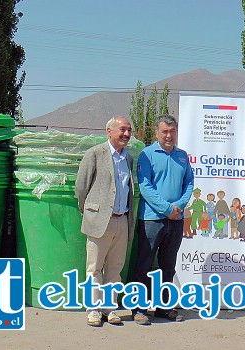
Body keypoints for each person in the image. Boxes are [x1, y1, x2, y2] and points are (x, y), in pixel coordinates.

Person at [132, 114, 194, 325]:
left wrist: (179, 207)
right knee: (145, 264)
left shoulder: (183, 156)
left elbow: (189, 185)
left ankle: (163, 307)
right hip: (151, 219)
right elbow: (145, 186)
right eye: (164, 132)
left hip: (176, 219)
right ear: (157, 133)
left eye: (172, 131)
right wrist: (167, 208)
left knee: (168, 266)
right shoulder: (146, 155)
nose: (169, 135)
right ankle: (139, 309)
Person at [75, 116, 135, 327]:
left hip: (122, 220)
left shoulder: (128, 158)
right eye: (122, 130)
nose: (126, 134)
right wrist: (90, 213)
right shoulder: (94, 154)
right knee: (94, 269)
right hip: (100, 220)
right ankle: (93, 309)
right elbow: (81, 188)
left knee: (114, 269)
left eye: (129, 130)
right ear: (109, 131)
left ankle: (109, 308)